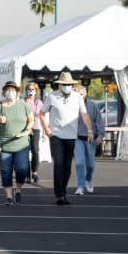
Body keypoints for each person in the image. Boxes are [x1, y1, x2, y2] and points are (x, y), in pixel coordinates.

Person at [41, 72, 93, 205]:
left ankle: (63, 191)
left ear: (72, 85)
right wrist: (46, 128)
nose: (66, 86)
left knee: (67, 167)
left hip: (71, 136)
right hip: (56, 135)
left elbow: (84, 114)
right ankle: (59, 195)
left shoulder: (77, 97)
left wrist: (89, 130)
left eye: (68, 84)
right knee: (58, 164)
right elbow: (42, 113)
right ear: (59, 85)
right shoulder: (52, 96)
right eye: (64, 84)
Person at [0, 81, 34, 206]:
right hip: (3, 145)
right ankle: (9, 197)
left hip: (21, 144)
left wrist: (28, 129)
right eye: (8, 90)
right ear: (3, 92)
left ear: (17, 92)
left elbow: (31, 119)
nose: (10, 92)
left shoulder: (23, 105)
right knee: (6, 171)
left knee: (22, 169)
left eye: (13, 90)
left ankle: (18, 189)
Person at [74, 85, 105, 195]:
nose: (79, 95)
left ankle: (89, 179)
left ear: (86, 93)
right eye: (77, 93)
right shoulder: (72, 105)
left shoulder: (93, 105)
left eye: (81, 93)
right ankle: (80, 186)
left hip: (91, 139)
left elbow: (99, 121)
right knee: (79, 162)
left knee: (90, 164)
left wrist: (101, 135)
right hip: (77, 138)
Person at [23, 82, 48, 184]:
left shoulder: (39, 103)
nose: (30, 91)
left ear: (36, 91)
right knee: (24, 152)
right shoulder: (22, 102)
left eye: (33, 89)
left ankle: (34, 172)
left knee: (35, 151)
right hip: (24, 129)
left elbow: (42, 117)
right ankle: (26, 175)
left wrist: (44, 132)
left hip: (36, 129)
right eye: (29, 89)